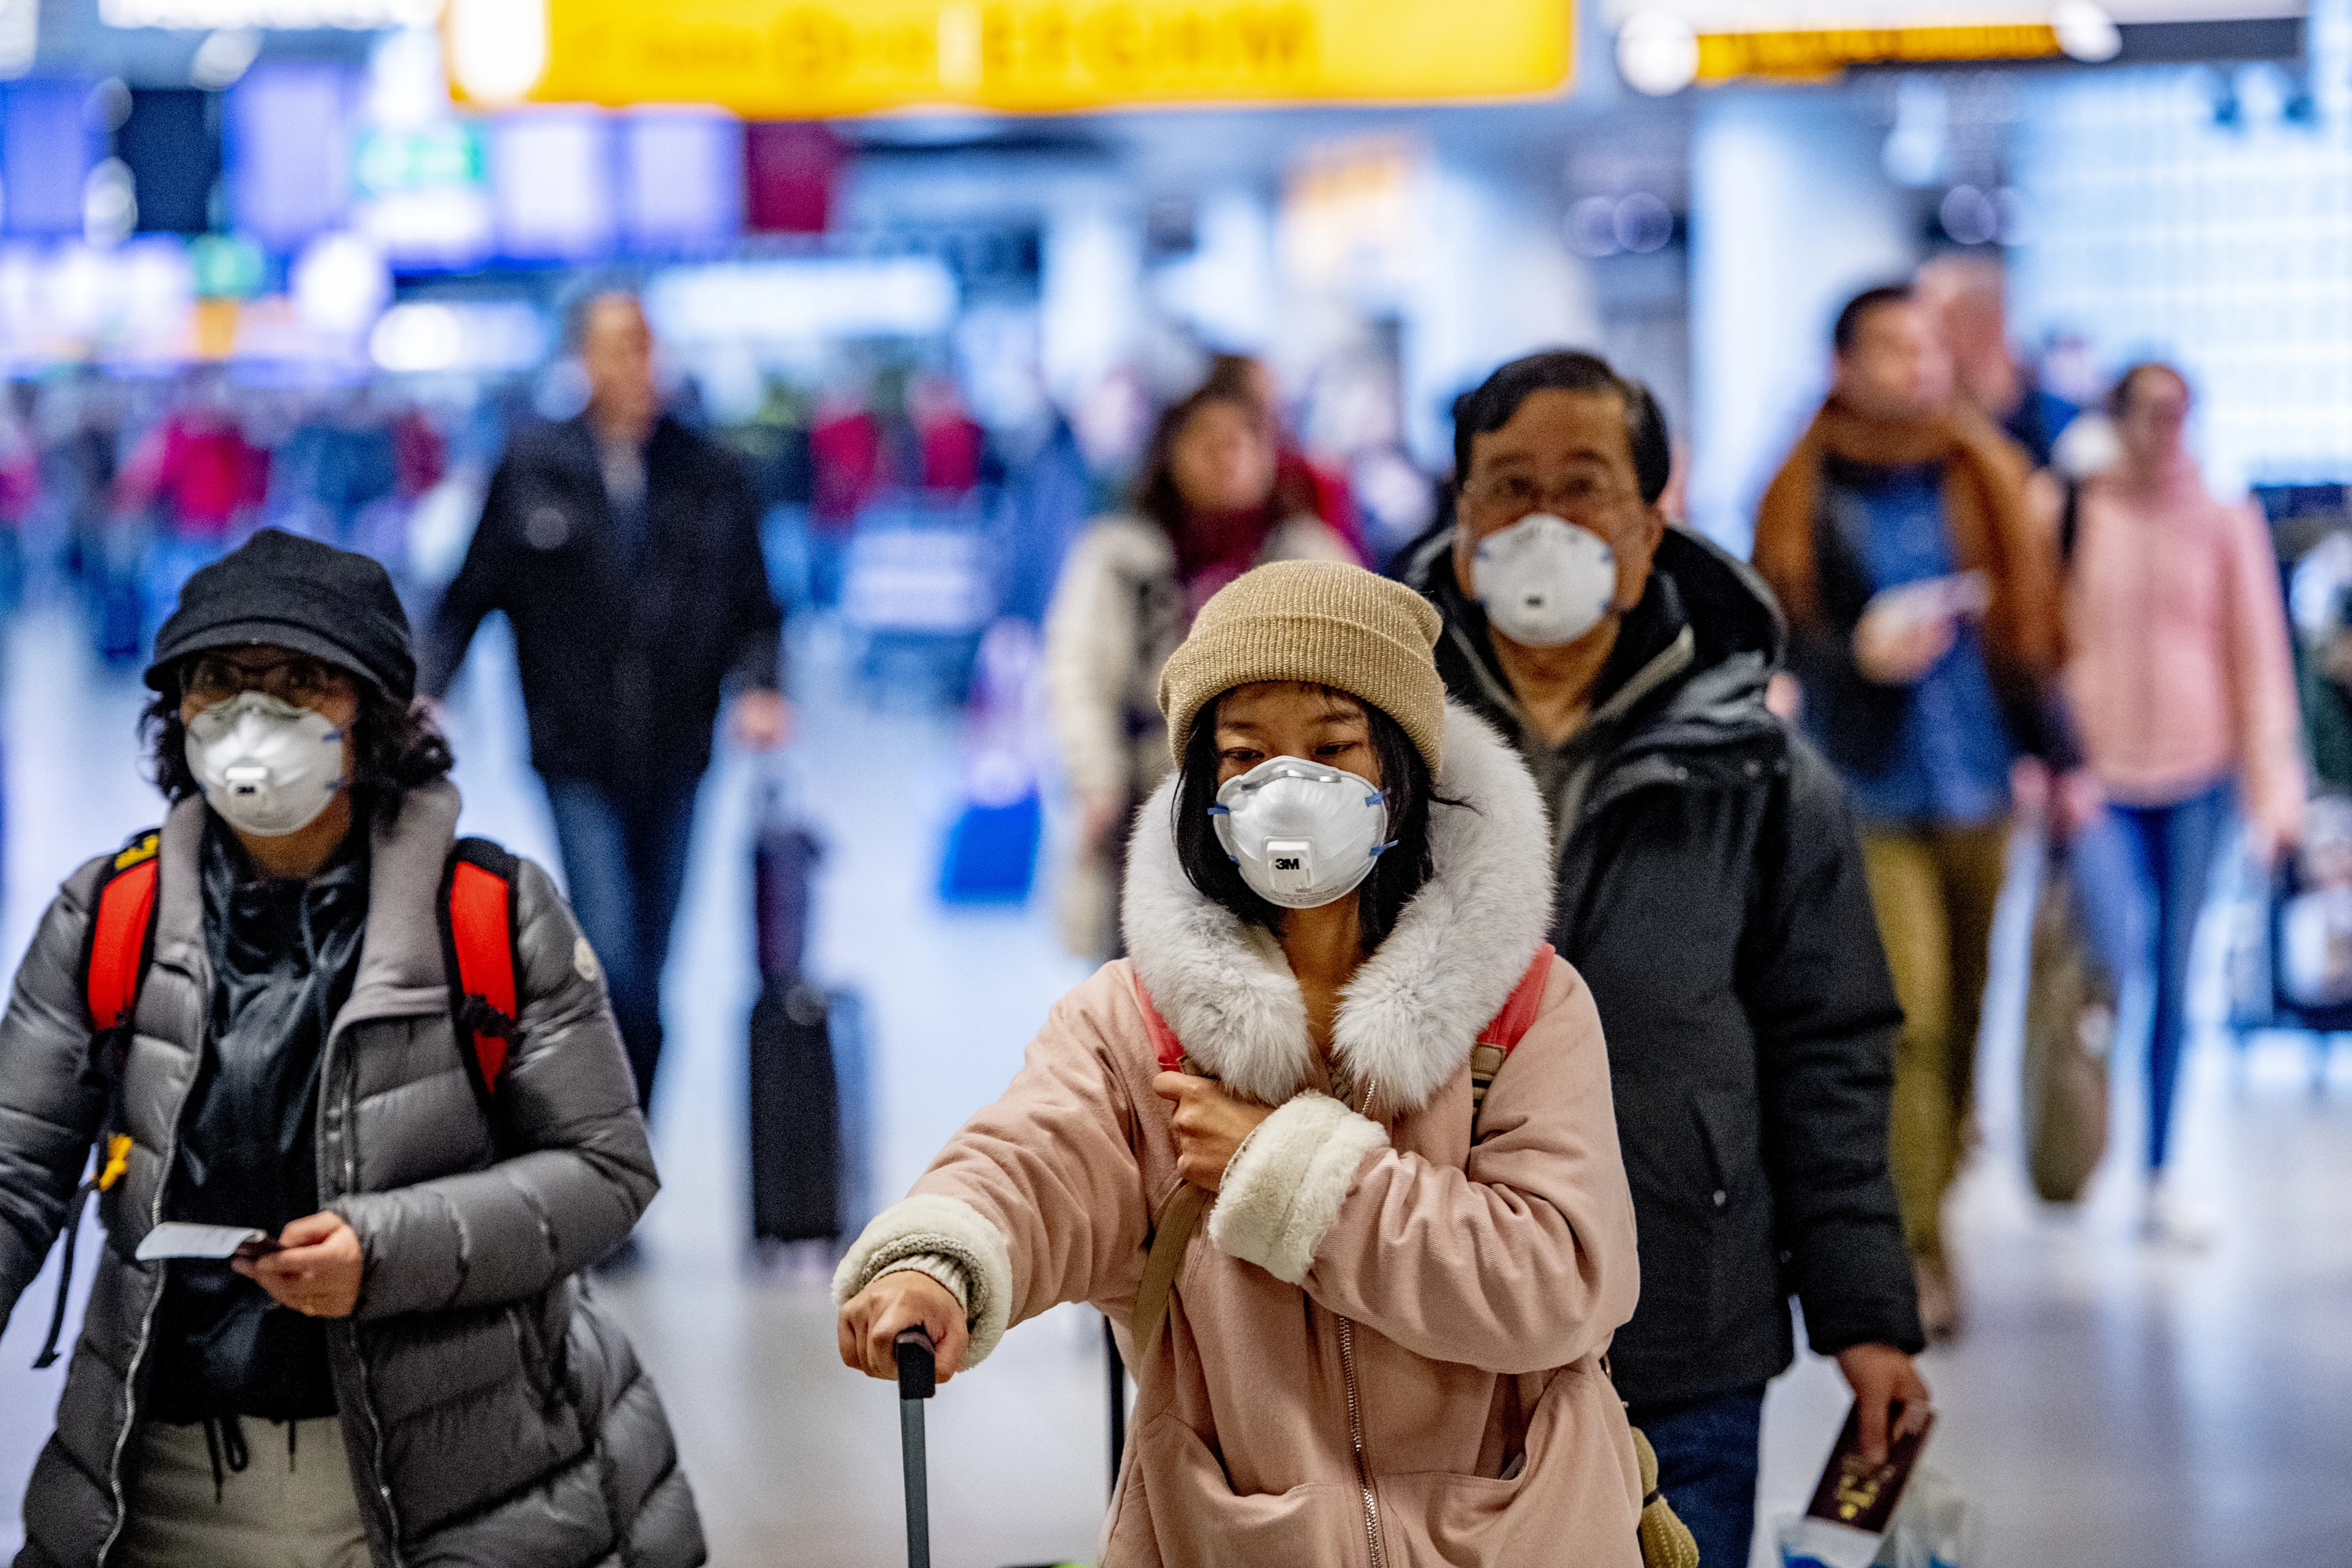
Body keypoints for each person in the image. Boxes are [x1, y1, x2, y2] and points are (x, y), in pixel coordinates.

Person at [839, 560, 1645, 1565]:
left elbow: (1557, 1280)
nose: (1290, 788)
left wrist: (1290, 1173)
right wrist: (941, 1263)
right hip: (1238, 1533)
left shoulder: (1522, 1007)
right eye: (1245, 753)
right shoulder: (1140, 1021)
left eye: (1333, 746)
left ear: (1401, 768)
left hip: (1523, 1531)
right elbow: (1037, 1161)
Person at [0, 529, 700, 1568]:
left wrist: (386, 1249)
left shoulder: (492, 915)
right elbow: (14, 1174)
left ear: (371, 720)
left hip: (455, 1490)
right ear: (175, 712)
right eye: (219, 683)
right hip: (164, 1488)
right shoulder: (111, 916)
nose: (251, 716)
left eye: (298, 683)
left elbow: (606, 1173)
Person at [1399, 349, 1929, 1568]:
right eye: (1507, 486)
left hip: (1683, 1319)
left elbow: (1830, 1045)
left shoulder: (1760, 773)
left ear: (1650, 523)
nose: (1543, 520)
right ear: (1462, 518)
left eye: (1582, 485)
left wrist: (1866, 1313)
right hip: (1423, 1324)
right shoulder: (1376, 752)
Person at [1753, 283, 2073, 1340]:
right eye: (1891, 347)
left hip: (1980, 783)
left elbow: (2031, 636)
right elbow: (1783, 651)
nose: (1916, 366)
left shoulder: (1986, 474)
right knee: (1911, 1021)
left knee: (1972, 1018)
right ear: (1842, 364)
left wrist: (2060, 760)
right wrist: (1861, 659)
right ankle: (1916, 1253)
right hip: (1867, 788)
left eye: (1927, 345)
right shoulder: (1800, 494)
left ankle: (1935, 1200)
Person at [423, 291, 788, 1117]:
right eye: (616, 346)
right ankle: (601, 1137)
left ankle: (622, 1146)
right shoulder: (532, 468)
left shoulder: (711, 475)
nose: (636, 364)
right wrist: (428, 691)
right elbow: (468, 595)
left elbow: (757, 607)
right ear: (581, 360)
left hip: (679, 750)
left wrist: (763, 687)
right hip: (574, 749)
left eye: (646, 345)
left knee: (652, 977)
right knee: (611, 955)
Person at [2060, 362, 2302, 1241]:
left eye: (2181, 413)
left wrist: (2275, 788)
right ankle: (2085, 1138)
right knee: (2114, 960)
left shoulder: (2224, 518)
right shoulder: (2075, 507)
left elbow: (2258, 656)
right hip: (2101, 775)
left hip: (2201, 771)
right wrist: (2055, 765)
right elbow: (2048, 641)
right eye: (2151, 412)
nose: (2167, 430)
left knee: (2175, 971)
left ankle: (2160, 1168)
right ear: (2118, 418)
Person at [1043, 380, 1352, 958]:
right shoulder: (1119, 556)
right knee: (1148, 994)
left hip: (1283, 805)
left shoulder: (1310, 554)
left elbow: (1365, 675)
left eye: (1243, 441)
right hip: (1152, 797)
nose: (1226, 454)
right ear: (1171, 453)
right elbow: (1078, 675)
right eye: (1206, 441)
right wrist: (1095, 783)